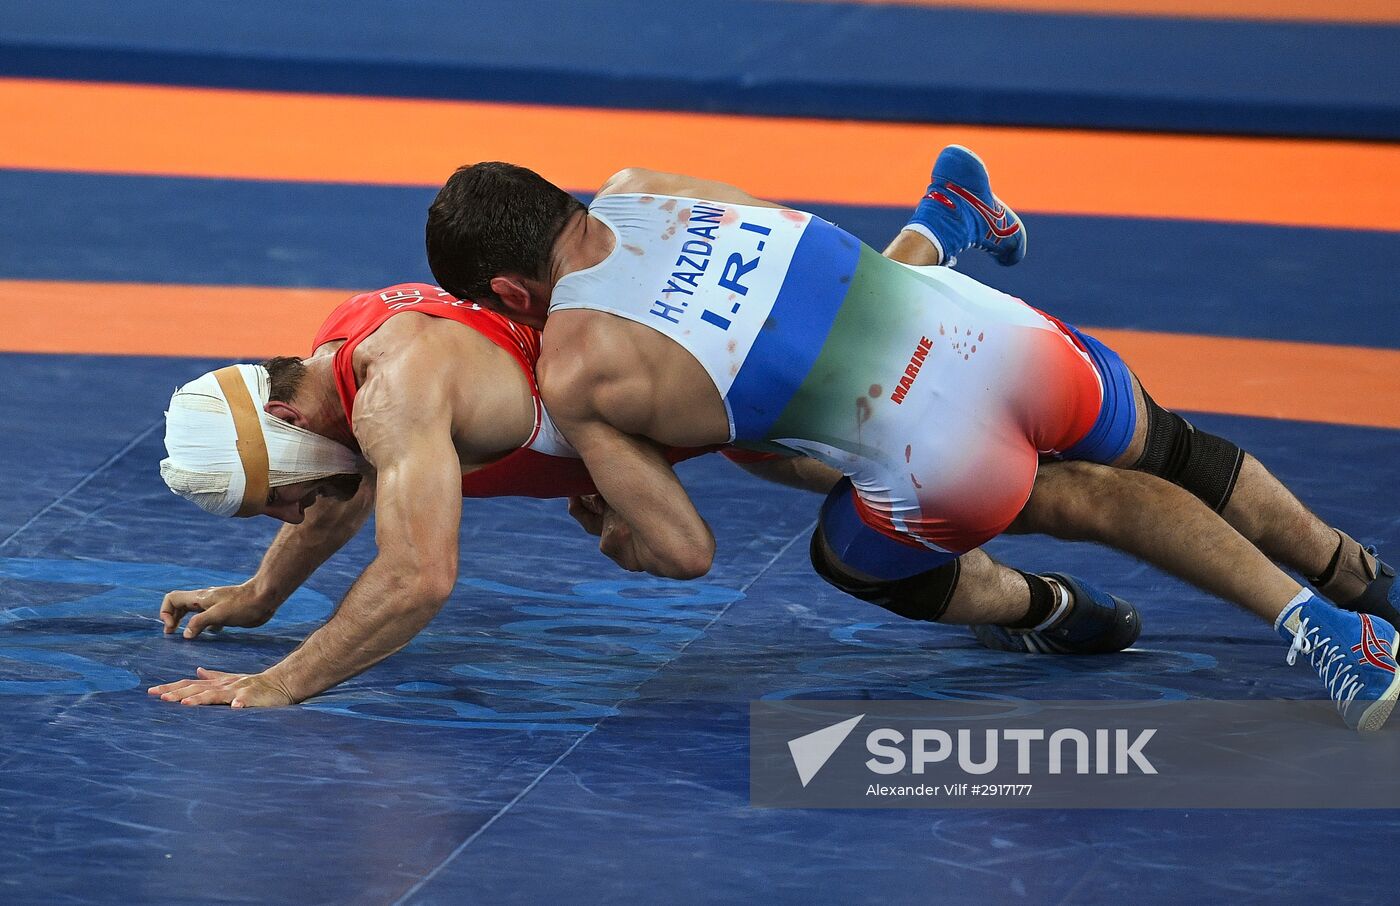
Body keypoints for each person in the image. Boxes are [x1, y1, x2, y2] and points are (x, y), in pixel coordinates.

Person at [422, 146, 1400, 730]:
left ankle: (1058, 608)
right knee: (1169, 449)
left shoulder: (577, 369)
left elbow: (684, 551)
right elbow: (803, 270)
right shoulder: (643, 183)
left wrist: (618, 526)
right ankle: (1354, 585)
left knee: (901, 538)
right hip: (993, 332)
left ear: (508, 294)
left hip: (944, 458)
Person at [149, 155, 1123, 709]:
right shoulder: (336, 355)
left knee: (907, 456)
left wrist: (273, 686)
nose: (292, 512)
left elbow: (415, 575)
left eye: (269, 501)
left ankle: (1043, 596)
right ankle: (943, 221)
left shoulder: (394, 395)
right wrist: (260, 594)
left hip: (658, 400)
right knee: (854, 348)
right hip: (647, 373)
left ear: (281, 420)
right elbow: (338, 488)